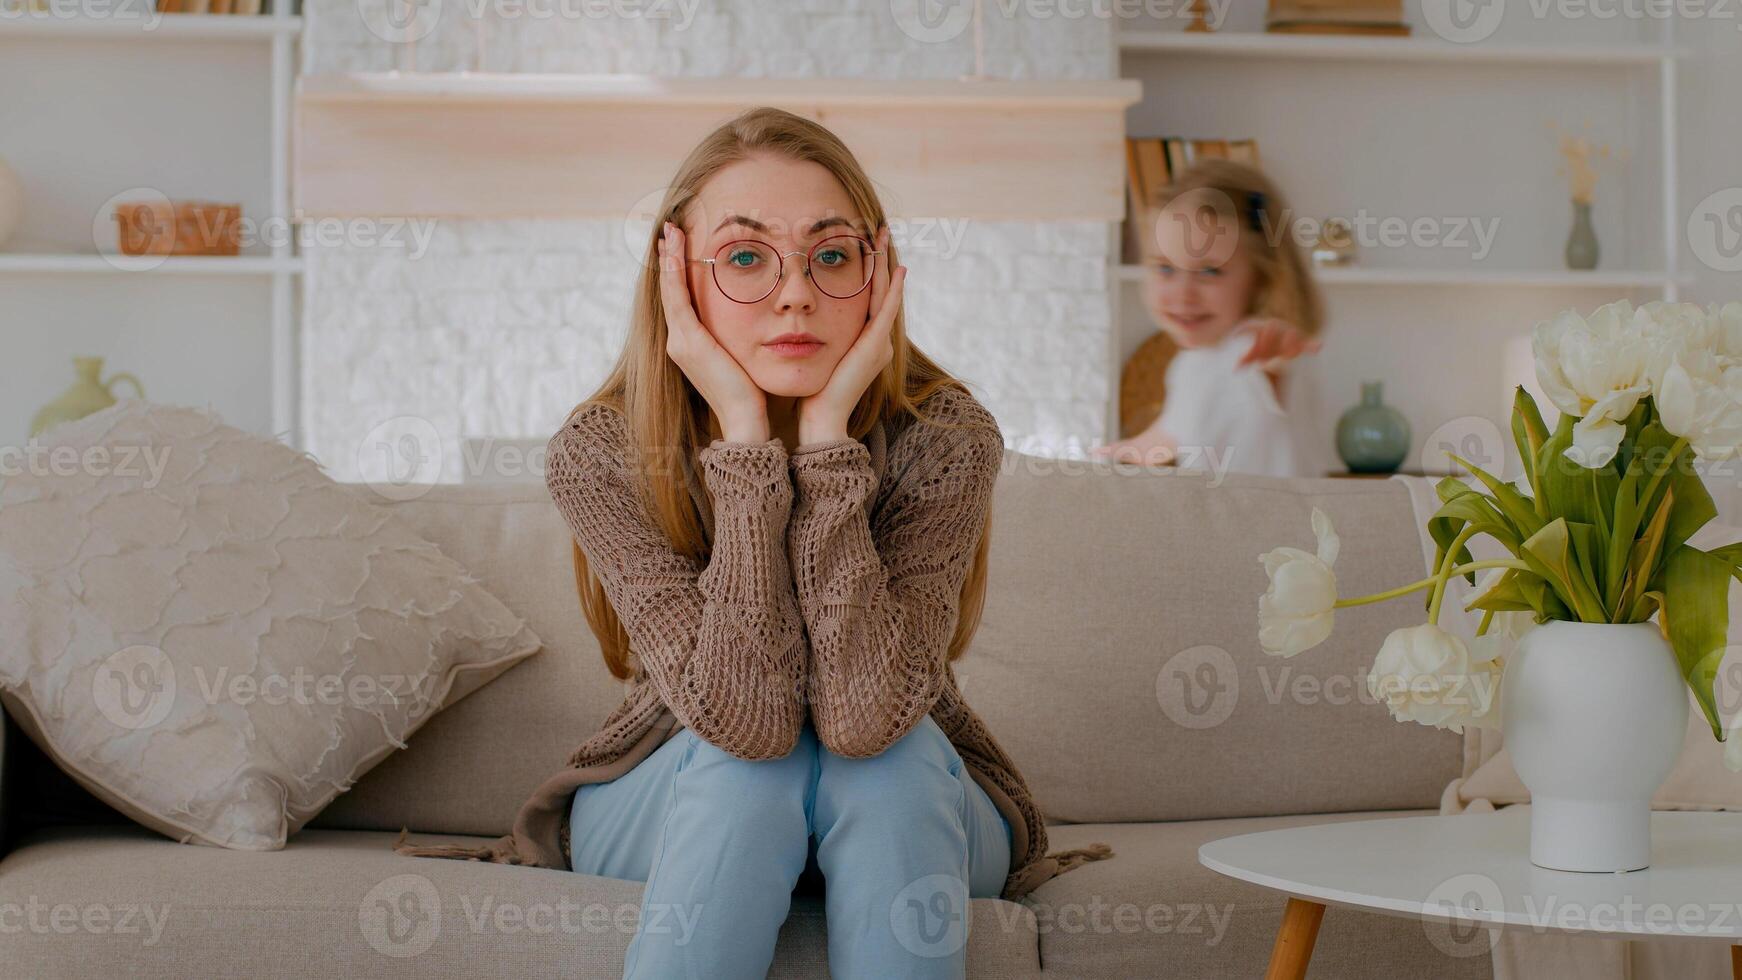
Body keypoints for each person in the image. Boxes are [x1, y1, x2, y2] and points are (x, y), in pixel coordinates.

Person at [393, 106, 1111, 979]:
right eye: (744, 257)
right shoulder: (604, 452)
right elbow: (749, 725)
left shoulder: (944, 434)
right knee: (752, 773)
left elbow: (865, 717)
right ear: (677, 278)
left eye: (832, 254)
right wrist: (743, 446)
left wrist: (827, 450)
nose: (796, 293)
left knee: (886, 764)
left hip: (914, 790)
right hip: (681, 784)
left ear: (880, 273)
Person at [1091, 160, 1328, 477]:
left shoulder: (1250, 351)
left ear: (1262, 277)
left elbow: (1272, 371)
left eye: (1209, 271)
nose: (1183, 293)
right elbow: (1168, 436)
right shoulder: (1192, 365)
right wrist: (1111, 455)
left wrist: (1277, 353)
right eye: (1165, 268)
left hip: (1276, 525)